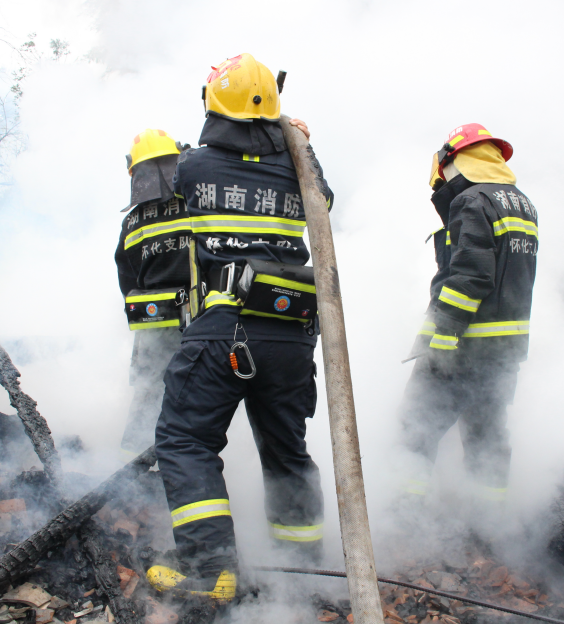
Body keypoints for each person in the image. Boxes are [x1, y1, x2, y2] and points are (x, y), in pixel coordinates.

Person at [145, 53, 334, 603]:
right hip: (292, 337)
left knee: (185, 441)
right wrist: (298, 142)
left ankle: (210, 573)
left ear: (213, 104)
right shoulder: (299, 166)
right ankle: (302, 574)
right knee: (286, 451)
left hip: (224, 330)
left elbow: (175, 193)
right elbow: (323, 206)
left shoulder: (194, 166)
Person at [401, 123, 538, 506]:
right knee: (487, 435)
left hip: (463, 346)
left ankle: (407, 515)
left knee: (415, 427)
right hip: (504, 352)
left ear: (452, 160)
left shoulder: (472, 201)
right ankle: (488, 520)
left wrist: (441, 339)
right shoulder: (521, 202)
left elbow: (472, 276)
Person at [114, 129, 191, 454]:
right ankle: (182, 459)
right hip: (200, 316)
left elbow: (127, 279)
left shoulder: (132, 222)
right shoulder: (198, 202)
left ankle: (132, 472)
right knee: (196, 394)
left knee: (147, 395)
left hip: (152, 325)